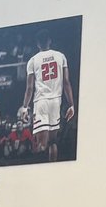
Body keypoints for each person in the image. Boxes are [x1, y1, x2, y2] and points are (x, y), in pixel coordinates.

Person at [20, 30, 75, 162]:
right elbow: (66, 82)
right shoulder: (60, 56)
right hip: (56, 101)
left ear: (38, 44)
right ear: (50, 40)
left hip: (41, 102)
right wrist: (71, 104)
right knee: (52, 142)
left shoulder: (33, 60)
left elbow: (29, 88)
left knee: (40, 145)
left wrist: (24, 107)